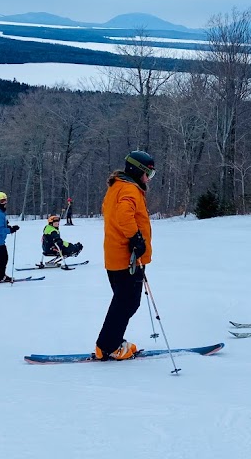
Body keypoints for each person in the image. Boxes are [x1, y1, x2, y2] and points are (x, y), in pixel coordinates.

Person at [95, 150, 155, 361]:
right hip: (126, 258)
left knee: (125, 302)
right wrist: (136, 239)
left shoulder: (117, 187)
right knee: (127, 302)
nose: (148, 178)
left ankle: (110, 342)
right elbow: (123, 215)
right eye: (148, 173)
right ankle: (108, 345)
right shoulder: (129, 189)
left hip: (116, 256)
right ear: (137, 171)